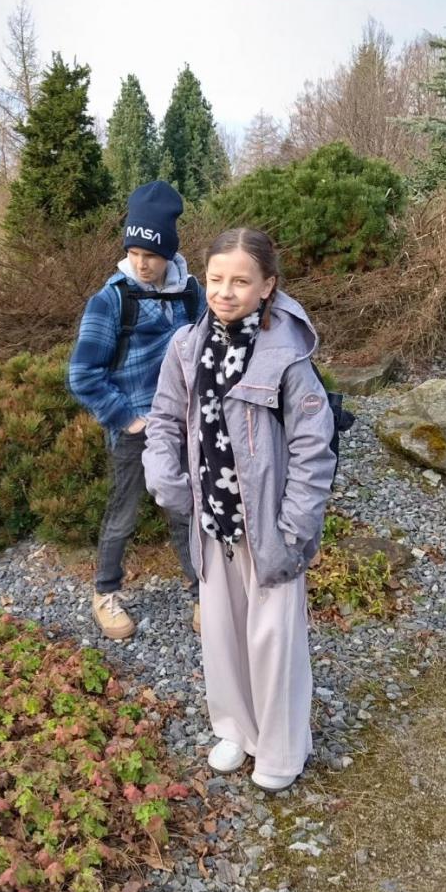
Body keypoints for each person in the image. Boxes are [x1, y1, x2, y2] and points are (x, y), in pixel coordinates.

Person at [143, 228, 336, 793]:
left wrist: (296, 526)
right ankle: (236, 729)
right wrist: (168, 482)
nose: (225, 292)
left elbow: (312, 444)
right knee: (223, 635)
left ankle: (281, 748)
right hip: (213, 522)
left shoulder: (287, 355)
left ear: (267, 285)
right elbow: (162, 420)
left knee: (274, 641)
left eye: (241, 281)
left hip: (270, 528)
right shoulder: (185, 346)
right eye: (216, 279)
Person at [68, 181, 204, 640]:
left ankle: (202, 591)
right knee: (123, 513)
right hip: (134, 425)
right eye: (134, 251)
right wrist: (128, 418)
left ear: (169, 251)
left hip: (187, 422)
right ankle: (105, 592)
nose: (143, 262)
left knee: (186, 508)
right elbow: (83, 374)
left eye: (152, 253)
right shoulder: (111, 300)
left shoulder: (190, 295)